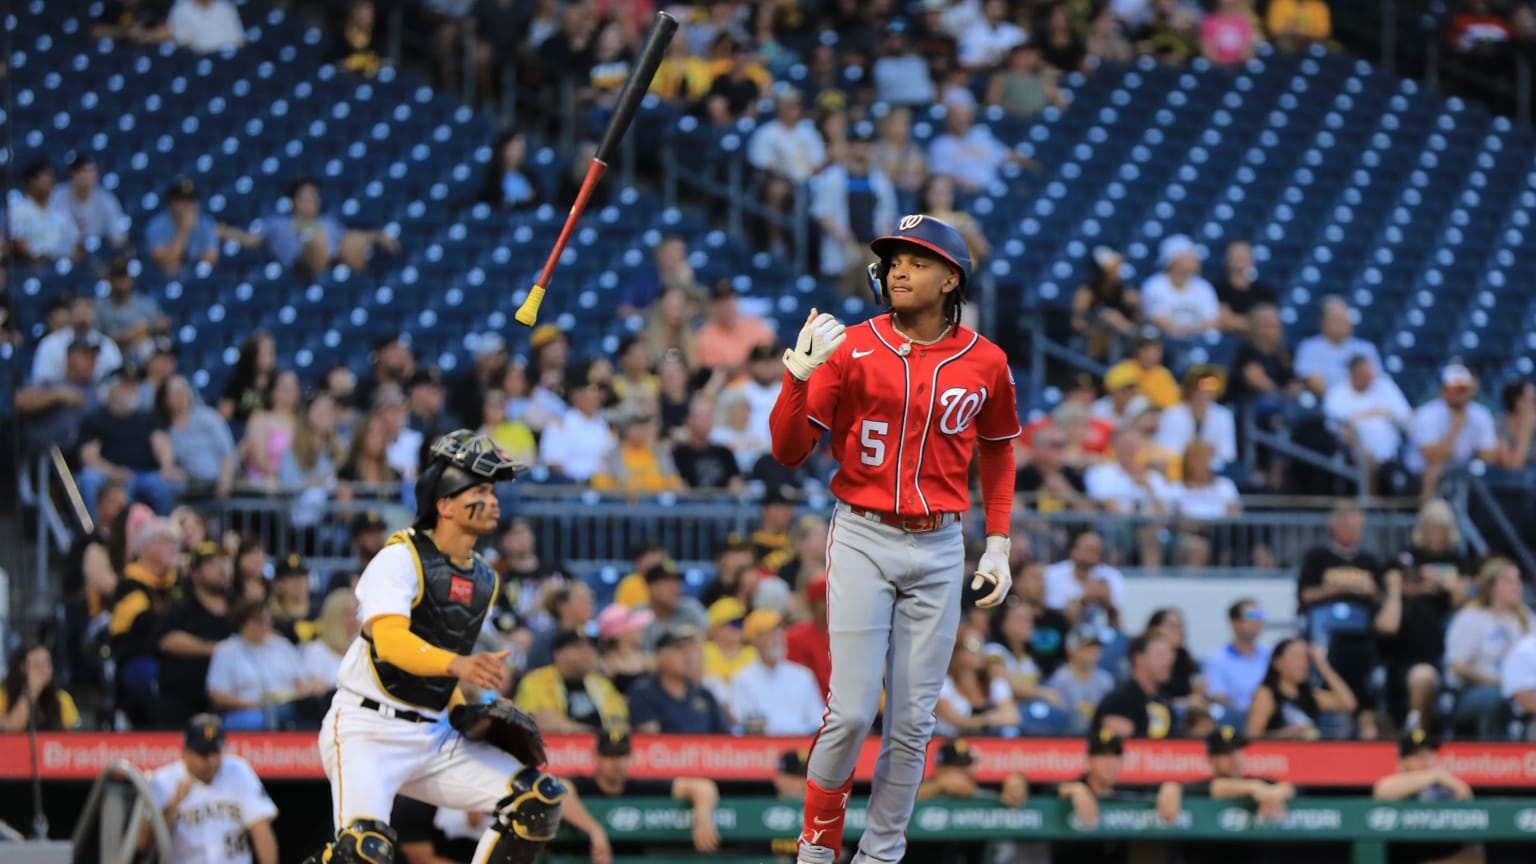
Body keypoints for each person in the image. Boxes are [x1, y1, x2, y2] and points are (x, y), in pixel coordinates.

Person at [769, 214, 1019, 864]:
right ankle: (817, 847)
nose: (900, 268)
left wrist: (999, 544)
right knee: (851, 712)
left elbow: (998, 452)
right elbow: (790, 452)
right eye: (895, 257)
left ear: (949, 277)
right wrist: (796, 378)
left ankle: (881, 855)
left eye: (916, 258)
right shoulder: (850, 346)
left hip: (940, 544)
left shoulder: (987, 359)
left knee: (912, 723)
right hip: (862, 533)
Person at [305, 430, 567, 864]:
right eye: (479, 490)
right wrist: (459, 667)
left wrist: (471, 707)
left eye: (493, 489)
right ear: (444, 504)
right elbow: (390, 643)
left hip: (432, 733)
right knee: (364, 851)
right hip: (366, 728)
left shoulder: (485, 577)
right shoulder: (399, 557)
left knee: (537, 799)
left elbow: (448, 647)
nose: (493, 499)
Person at [563, 729, 721, 858]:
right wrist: (594, 830)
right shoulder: (583, 785)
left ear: (631, 757)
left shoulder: (641, 787)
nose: (616, 762)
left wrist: (702, 819)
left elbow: (703, 787)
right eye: (609, 755)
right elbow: (558, 792)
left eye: (621, 755)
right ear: (596, 757)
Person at [149, 715, 278, 864]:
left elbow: (261, 829)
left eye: (215, 752)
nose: (211, 761)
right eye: (203, 754)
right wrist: (172, 806)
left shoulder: (238, 771)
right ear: (185, 752)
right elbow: (144, 845)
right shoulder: (164, 780)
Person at [156, 541, 234, 725]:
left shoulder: (238, 607)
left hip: (232, 698)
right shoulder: (180, 608)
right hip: (185, 698)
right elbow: (167, 640)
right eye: (212, 564)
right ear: (194, 572)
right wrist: (219, 649)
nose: (221, 569)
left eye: (224, 563)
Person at [1245, 637, 1357, 739]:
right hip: (1276, 759)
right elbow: (1252, 736)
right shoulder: (1266, 694)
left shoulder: (1309, 695)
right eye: (1296, 657)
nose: (1303, 663)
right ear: (1277, 662)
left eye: (1306, 658)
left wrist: (1322, 664)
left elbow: (1348, 703)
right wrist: (1287, 734)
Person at [1093, 632, 1179, 739]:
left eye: (1170, 656)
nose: (1168, 662)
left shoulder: (1164, 701)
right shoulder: (1118, 702)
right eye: (1160, 655)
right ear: (1139, 659)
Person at [1202, 598, 1271, 716]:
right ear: (1234, 623)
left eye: (1260, 616)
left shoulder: (1270, 656)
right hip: (1236, 720)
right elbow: (1217, 696)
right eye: (1252, 616)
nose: (1258, 621)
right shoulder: (1217, 660)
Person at [1, 643, 81, 731]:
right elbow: (11, 730)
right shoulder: (3, 696)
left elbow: (72, 738)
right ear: (21, 668)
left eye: (47, 664)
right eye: (36, 665)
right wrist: (32, 690)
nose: (43, 670)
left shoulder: (62, 699)